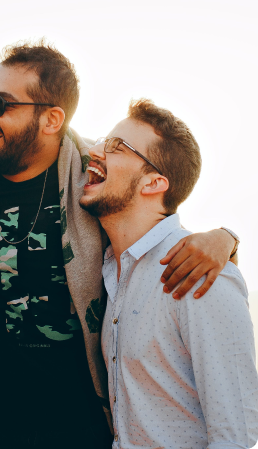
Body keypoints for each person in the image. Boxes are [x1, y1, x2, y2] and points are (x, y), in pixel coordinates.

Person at [0, 41, 240, 448]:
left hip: (86, 431)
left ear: (51, 118)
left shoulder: (92, 178)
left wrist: (224, 238)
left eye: (2, 103)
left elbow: (153, 216)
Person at [79, 99, 258, 447]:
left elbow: (237, 435)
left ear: (153, 183)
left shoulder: (202, 275)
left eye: (116, 147)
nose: (94, 151)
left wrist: (228, 237)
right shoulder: (112, 271)